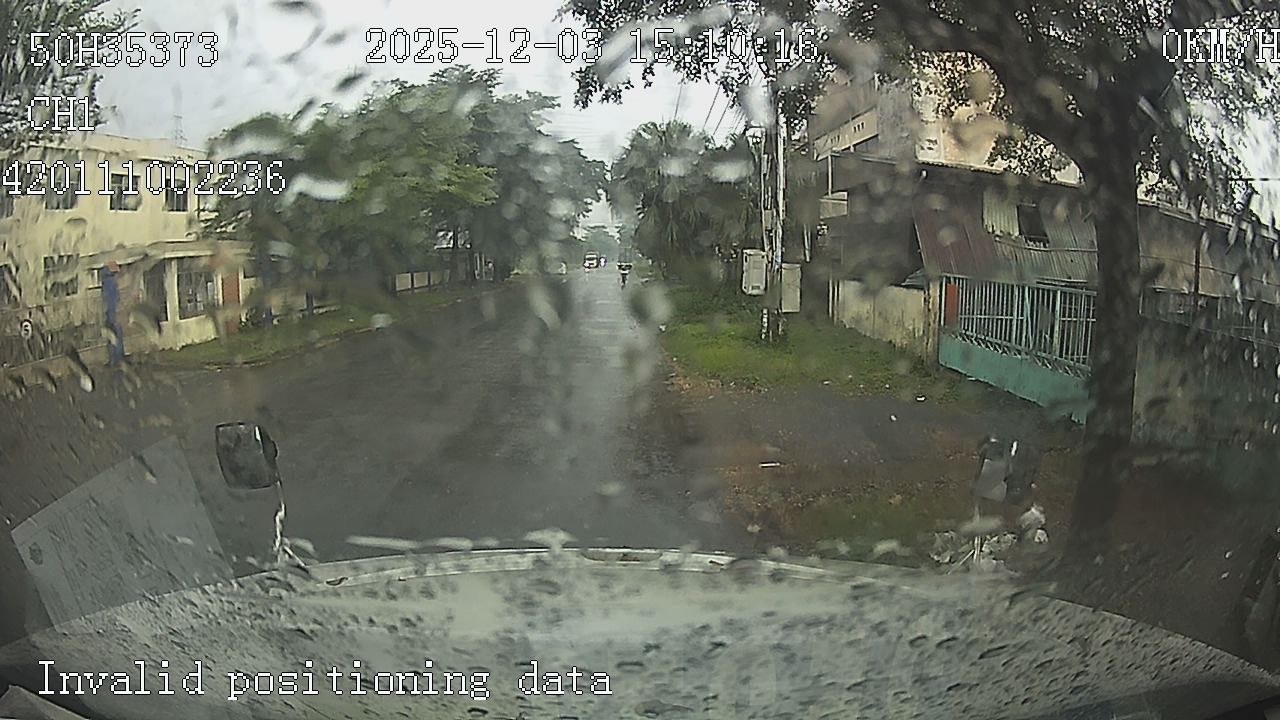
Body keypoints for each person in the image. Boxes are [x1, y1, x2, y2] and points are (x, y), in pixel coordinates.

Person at [102, 261, 125, 366]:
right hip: (112, 309)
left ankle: (116, 358)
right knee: (114, 332)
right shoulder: (112, 282)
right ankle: (116, 358)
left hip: (111, 308)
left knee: (113, 331)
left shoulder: (110, 281)